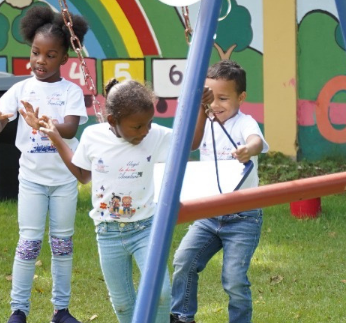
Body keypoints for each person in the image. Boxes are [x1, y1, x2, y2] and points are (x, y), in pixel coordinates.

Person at [0, 5, 89, 323]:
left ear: (64, 58)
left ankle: (61, 311)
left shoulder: (70, 91)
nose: (41, 60)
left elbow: (70, 128)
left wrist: (44, 123)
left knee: (62, 244)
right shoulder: (20, 89)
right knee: (28, 243)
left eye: (51, 55)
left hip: (65, 179)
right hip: (32, 181)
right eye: (36, 52)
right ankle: (18, 310)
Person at [34, 79, 173, 323]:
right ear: (112, 121)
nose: (145, 131)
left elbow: (190, 143)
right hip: (108, 232)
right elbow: (82, 174)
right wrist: (56, 138)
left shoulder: (155, 136)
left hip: (146, 228)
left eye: (149, 123)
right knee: (122, 303)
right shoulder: (92, 136)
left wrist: (202, 109)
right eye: (138, 126)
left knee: (160, 293)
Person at [171, 60, 268, 323]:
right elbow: (191, 143)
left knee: (234, 279)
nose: (216, 105)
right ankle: (182, 316)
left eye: (223, 98)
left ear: (242, 97)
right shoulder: (206, 122)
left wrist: (248, 149)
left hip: (243, 217)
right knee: (183, 261)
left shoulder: (244, 123)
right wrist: (202, 110)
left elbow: (256, 141)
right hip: (209, 214)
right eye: (211, 98)